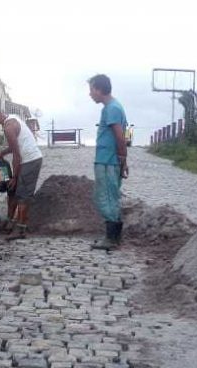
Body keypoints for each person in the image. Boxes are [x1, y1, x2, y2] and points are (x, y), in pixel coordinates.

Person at [0, 102, 44, 241]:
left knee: (23, 195)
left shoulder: (9, 127)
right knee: (13, 191)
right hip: (25, 159)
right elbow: (14, 146)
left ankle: (21, 229)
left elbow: (17, 154)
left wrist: (15, 177)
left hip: (31, 161)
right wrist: (0, 154)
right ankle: (9, 222)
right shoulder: (10, 119)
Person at [88, 74, 128, 250]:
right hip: (109, 160)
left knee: (106, 197)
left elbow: (120, 136)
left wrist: (122, 159)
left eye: (91, 90)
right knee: (107, 196)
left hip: (107, 161)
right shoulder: (112, 107)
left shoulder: (112, 108)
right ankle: (113, 237)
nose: (90, 94)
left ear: (98, 89)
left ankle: (112, 239)